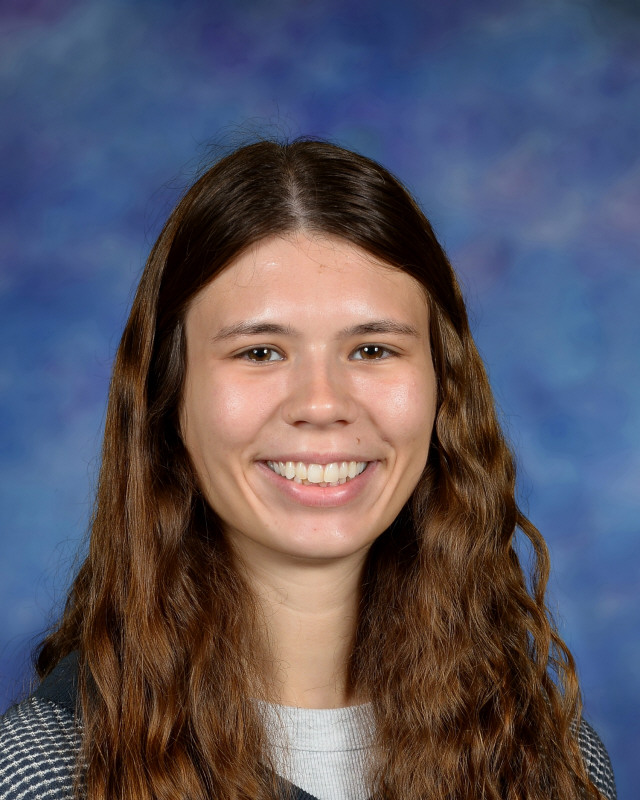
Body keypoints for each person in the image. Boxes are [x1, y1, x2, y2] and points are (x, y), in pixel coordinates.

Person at [0, 139, 616, 800]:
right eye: (261, 351)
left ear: (444, 387)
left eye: (373, 348)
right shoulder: (42, 777)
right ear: (168, 398)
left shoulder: (554, 760)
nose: (322, 404)